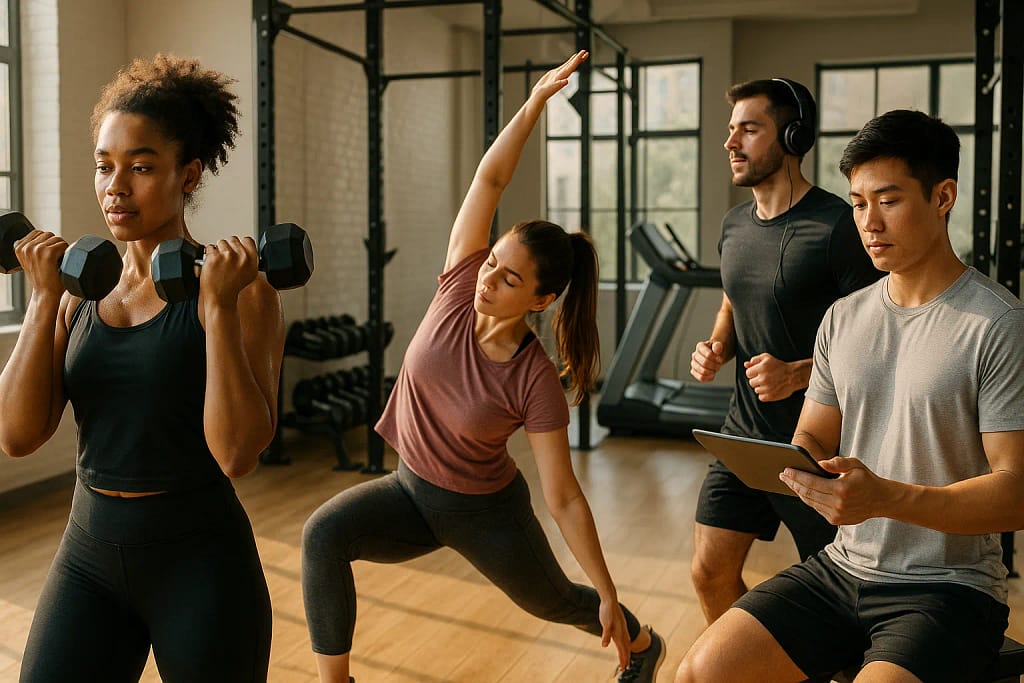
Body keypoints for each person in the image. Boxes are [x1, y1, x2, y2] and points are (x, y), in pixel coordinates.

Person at [300, 50, 663, 683]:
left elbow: (564, 497)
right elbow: (488, 183)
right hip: (409, 488)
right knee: (322, 535)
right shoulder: (458, 281)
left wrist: (606, 588)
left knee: (554, 603)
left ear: (542, 300)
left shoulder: (534, 378)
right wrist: (533, 105)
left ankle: (640, 641)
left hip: (483, 512)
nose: (489, 278)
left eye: (510, 277)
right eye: (493, 261)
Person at [676, 109, 1024, 683]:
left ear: (943, 196)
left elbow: (1015, 494)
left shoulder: (997, 324)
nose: (869, 223)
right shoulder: (843, 318)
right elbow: (812, 433)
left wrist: (886, 498)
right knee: (700, 671)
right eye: (859, 204)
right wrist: (807, 469)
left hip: (946, 590)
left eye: (888, 201)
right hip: (840, 568)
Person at [0, 55, 281, 682]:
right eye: (104, 167)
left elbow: (237, 453)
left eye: (142, 167)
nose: (115, 187)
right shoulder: (76, 295)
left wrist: (218, 312)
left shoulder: (240, 290)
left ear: (189, 174)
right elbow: (17, 437)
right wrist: (43, 298)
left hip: (202, 565)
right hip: (90, 554)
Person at [688, 78, 882, 624]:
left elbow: (876, 335)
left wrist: (800, 373)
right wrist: (717, 346)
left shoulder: (838, 226)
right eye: (731, 130)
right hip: (743, 432)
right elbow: (733, 298)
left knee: (836, 596)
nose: (731, 143)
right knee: (708, 573)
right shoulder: (733, 225)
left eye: (749, 129)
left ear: (792, 137)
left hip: (818, 445)